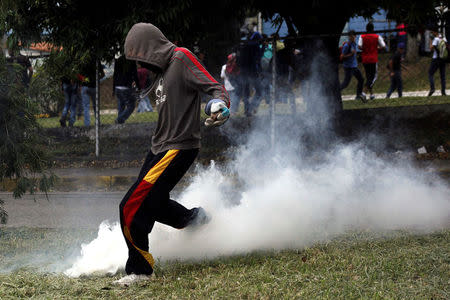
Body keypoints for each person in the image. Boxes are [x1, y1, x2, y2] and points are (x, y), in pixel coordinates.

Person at [115, 23, 230, 286]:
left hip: (179, 147)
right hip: (157, 148)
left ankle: (140, 271)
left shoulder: (181, 57)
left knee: (130, 206)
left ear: (150, 50)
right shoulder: (158, 75)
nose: (139, 68)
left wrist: (219, 105)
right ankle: (195, 219)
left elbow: (215, 87)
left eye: (140, 60)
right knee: (151, 201)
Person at [358, 22, 386, 100]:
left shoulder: (362, 36)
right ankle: (363, 93)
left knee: (368, 76)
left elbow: (359, 46)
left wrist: (365, 49)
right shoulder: (377, 37)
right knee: (373, 77)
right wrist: (376, 48)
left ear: (366, 29)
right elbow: (384, 46)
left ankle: (371, 94)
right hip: (373, 59)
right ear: (373, 29)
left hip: (365, 59)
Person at [113, 55, 140, 124]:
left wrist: (113, 89)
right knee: (131, 106)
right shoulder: (131, 61)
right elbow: (135, 74)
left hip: (117, 86)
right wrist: (138, 86)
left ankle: (120, 125)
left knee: (121, 105)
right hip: (126, 87)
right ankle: (119, 119)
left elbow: (115, 75)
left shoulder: (118, 60)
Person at [340, 30, 365, 101]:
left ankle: (358, 95)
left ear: (355, 36)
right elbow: (342, 56)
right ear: (349, 37)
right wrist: (350, 54)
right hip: (348, 67)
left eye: (353, 36)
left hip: (354, 66)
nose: (352, 38)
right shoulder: (346, 45)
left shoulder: (354, 44)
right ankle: (336, 91)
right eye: (350, 36)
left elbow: (354, 54)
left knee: (361, 79)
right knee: (346, 83)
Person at [79, 59, 105, 127]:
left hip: (85, 86)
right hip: (94, 86)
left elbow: (79, 75)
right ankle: (98, 122)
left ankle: (87, 124)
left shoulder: (83, 60)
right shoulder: (96, 61)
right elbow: (103, 74)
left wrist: (85, 80)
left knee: (86, 107)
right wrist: (95, 79)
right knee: (96, 106)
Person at [427, 28, 447, 96]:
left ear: (435, 32)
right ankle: (443, 92)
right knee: (443, 76)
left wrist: (430, 40)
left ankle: (432, 88)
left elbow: (431, 48)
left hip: (436, 59)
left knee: (430, 73)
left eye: (432, 32)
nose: (432, 33)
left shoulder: (435, 39)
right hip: (443, 59)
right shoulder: (443, 38)